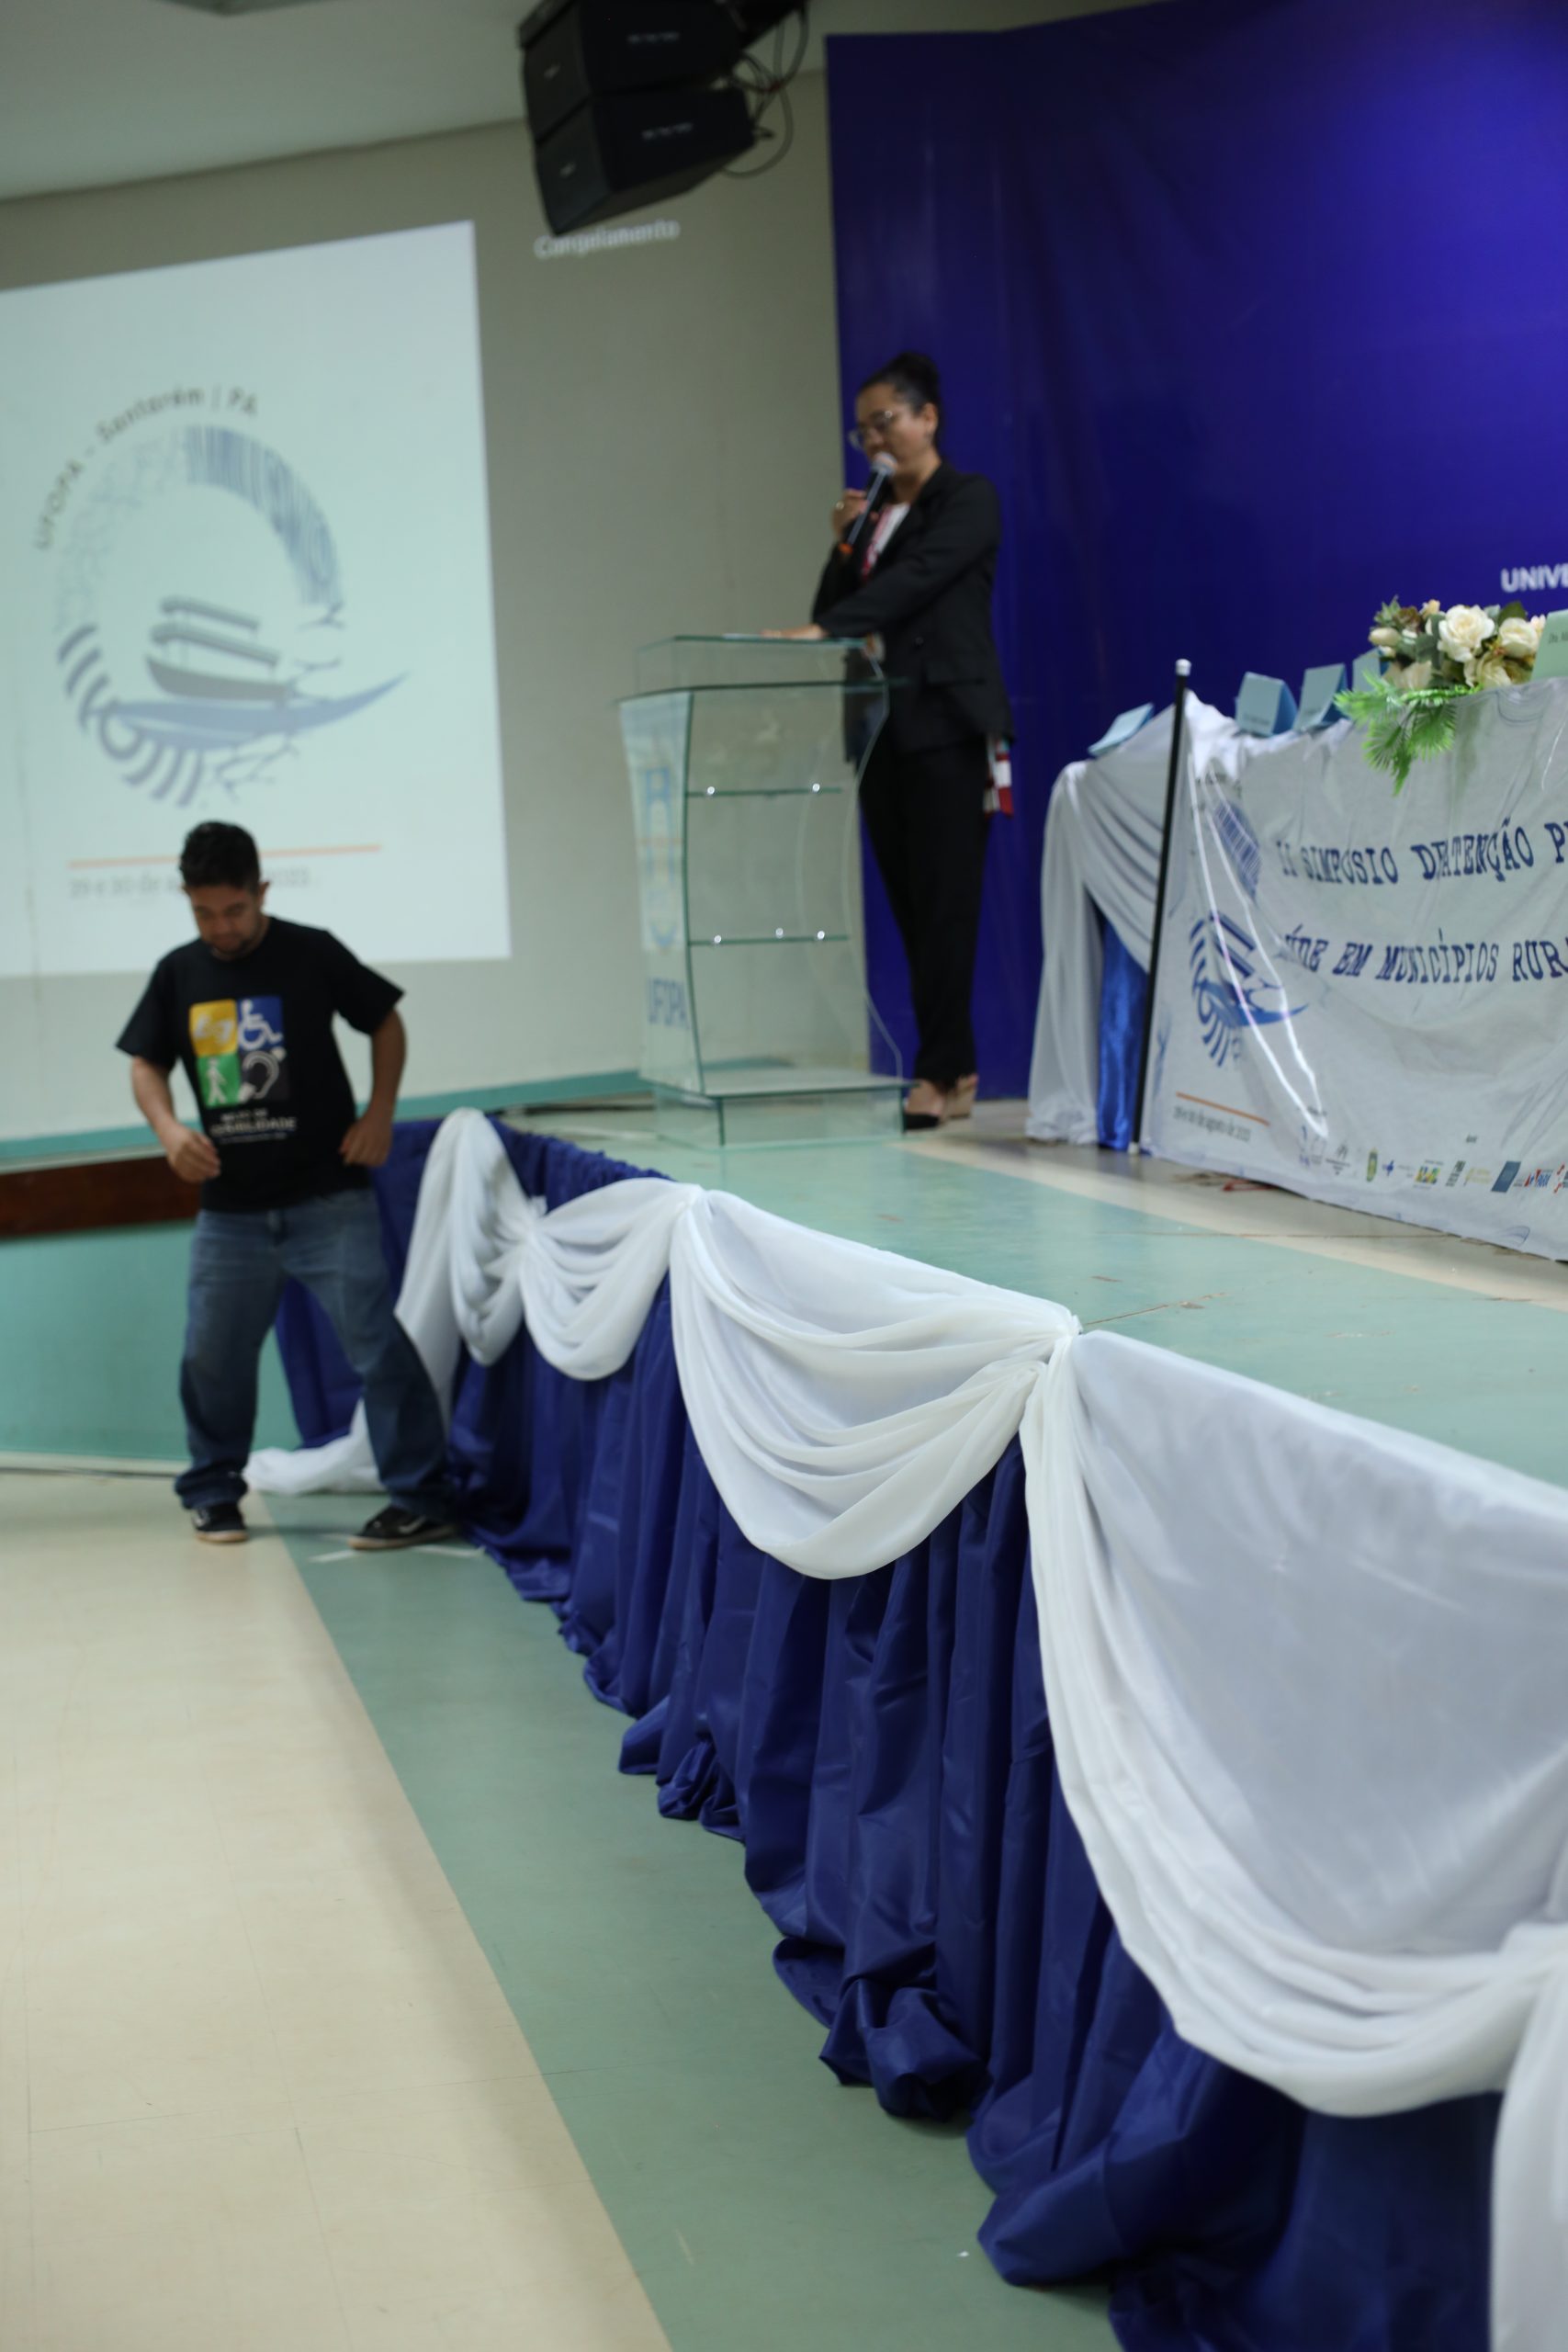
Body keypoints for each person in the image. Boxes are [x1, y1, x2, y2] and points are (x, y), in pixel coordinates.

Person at [118, 823, 456, 1550]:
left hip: (328, 1197)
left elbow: (384, 1022)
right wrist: (169, 1132)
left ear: (261, 891)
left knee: (376, 1347)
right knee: (211, 1356)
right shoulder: (178, 973)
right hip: (231, 1211)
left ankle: (420, 1496)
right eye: (204, 913)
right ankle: (214, 1490)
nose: (221, 928)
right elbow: (145, 1063)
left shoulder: (311, 951)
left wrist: (380, 1112)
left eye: (234, 910)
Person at [771, 351, 1013, 1129]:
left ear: (926, 418)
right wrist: (844, 541)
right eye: (862, 430)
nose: (873, 440)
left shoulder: (966, 500)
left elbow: (916, 584)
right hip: (879, 730)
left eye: (885, 422)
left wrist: (829, 625)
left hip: (945, 721)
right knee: (911, 908)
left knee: (946, 904)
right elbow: (830, 608)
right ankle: (955, 1067)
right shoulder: (872, 518)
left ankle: (937, 1073)